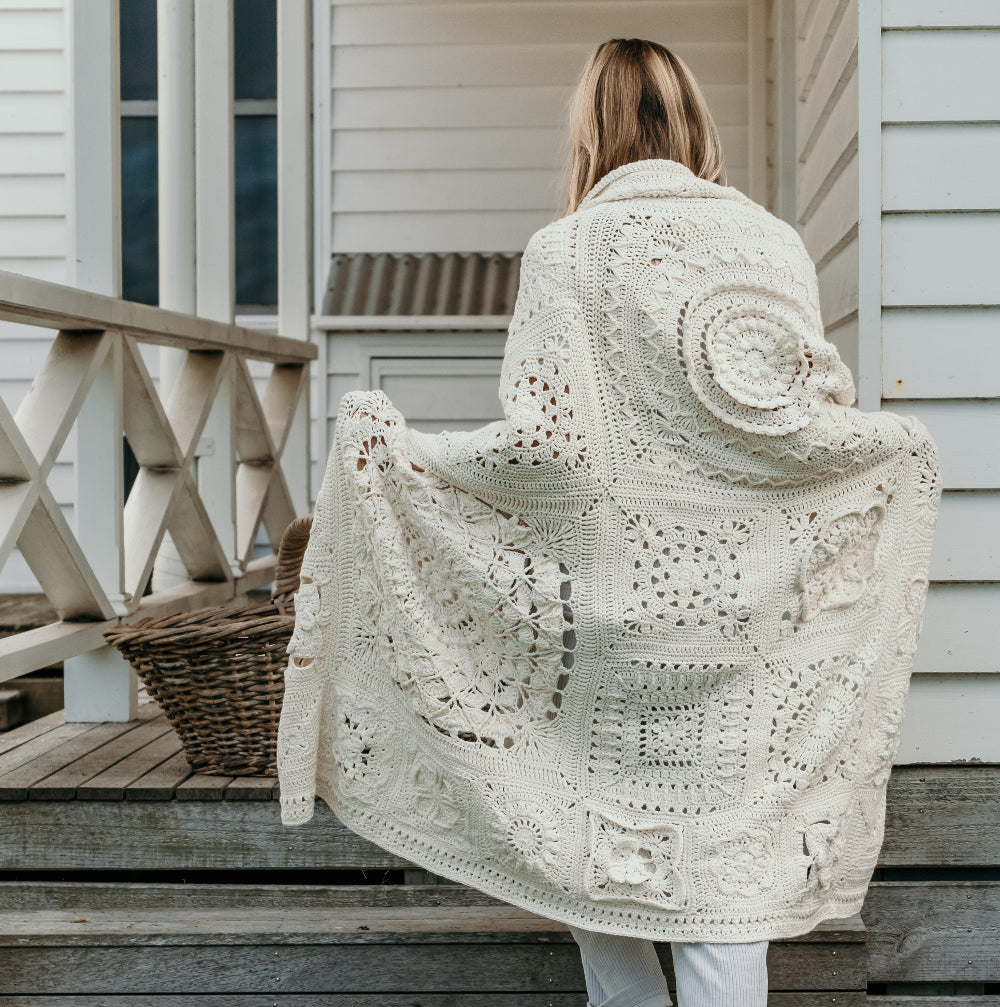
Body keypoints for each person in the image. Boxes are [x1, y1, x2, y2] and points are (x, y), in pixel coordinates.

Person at [276, 35, 941, 1007]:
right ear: (694, 125)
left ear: (590, 129)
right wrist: (894, 449)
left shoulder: (565, 252)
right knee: (726, 915)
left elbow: (546, 449)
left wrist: (407, 460)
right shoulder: (772, 244)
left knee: (604, 894)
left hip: (613, 639)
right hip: (744, 636)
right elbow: (808, 424)